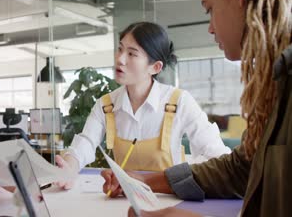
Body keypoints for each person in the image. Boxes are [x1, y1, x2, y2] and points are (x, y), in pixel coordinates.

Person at [102, 0, 291, 216]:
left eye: (210, 9)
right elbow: (242, 169)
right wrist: (145, 180)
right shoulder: (276, 82)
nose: (211, 28)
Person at [56, 22, 231, 189]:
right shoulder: (106, 105)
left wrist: (190, 169)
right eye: (120, 49)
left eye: (132, 54)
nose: (120, 59)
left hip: (170, 200)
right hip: (123, 198)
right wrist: (69, 168)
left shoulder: (179, 101)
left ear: (155, 67)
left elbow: (215, 153)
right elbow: (86, 142)